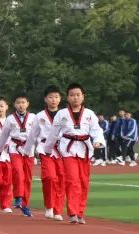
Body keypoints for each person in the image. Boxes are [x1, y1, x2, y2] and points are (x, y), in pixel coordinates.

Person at [44, 83, 105, 225]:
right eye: (72, 95)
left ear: (83, 96)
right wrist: (47, 149)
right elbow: (53, 133)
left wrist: (98, 141)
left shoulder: (89, 114)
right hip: (68, 150)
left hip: (85, 150)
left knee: (83, 182)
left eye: (78, 95)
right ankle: (72, 212)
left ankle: (80, 212)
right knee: (72, 181)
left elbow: (97, 130)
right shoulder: (62, 114)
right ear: (68, 97)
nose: (75, 98)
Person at [26, 86, 65, 221]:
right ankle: (49, 206)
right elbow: (33, 134)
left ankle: (58, 210)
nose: (53, 100)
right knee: (49, 177)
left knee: (60, 179)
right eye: (50, 97)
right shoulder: (40, 116)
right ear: (45, 99)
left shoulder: (65, 114)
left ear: (60, 99)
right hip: (44, 148)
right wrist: (27, 150)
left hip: (62, 149)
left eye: (56, 97)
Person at [0, 93, 35, 217]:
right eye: (18, 103)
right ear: (14, 105)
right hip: (15, 147)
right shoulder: (10, 119)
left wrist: (43, 148)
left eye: (23, 102)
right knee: (17, 171)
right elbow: (4, 135)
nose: (21, 105)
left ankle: (25, 205)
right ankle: (18, 197)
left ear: (27, 104)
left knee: (27, 178)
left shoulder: (33, 117)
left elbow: (38, 133)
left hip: (28, 149)